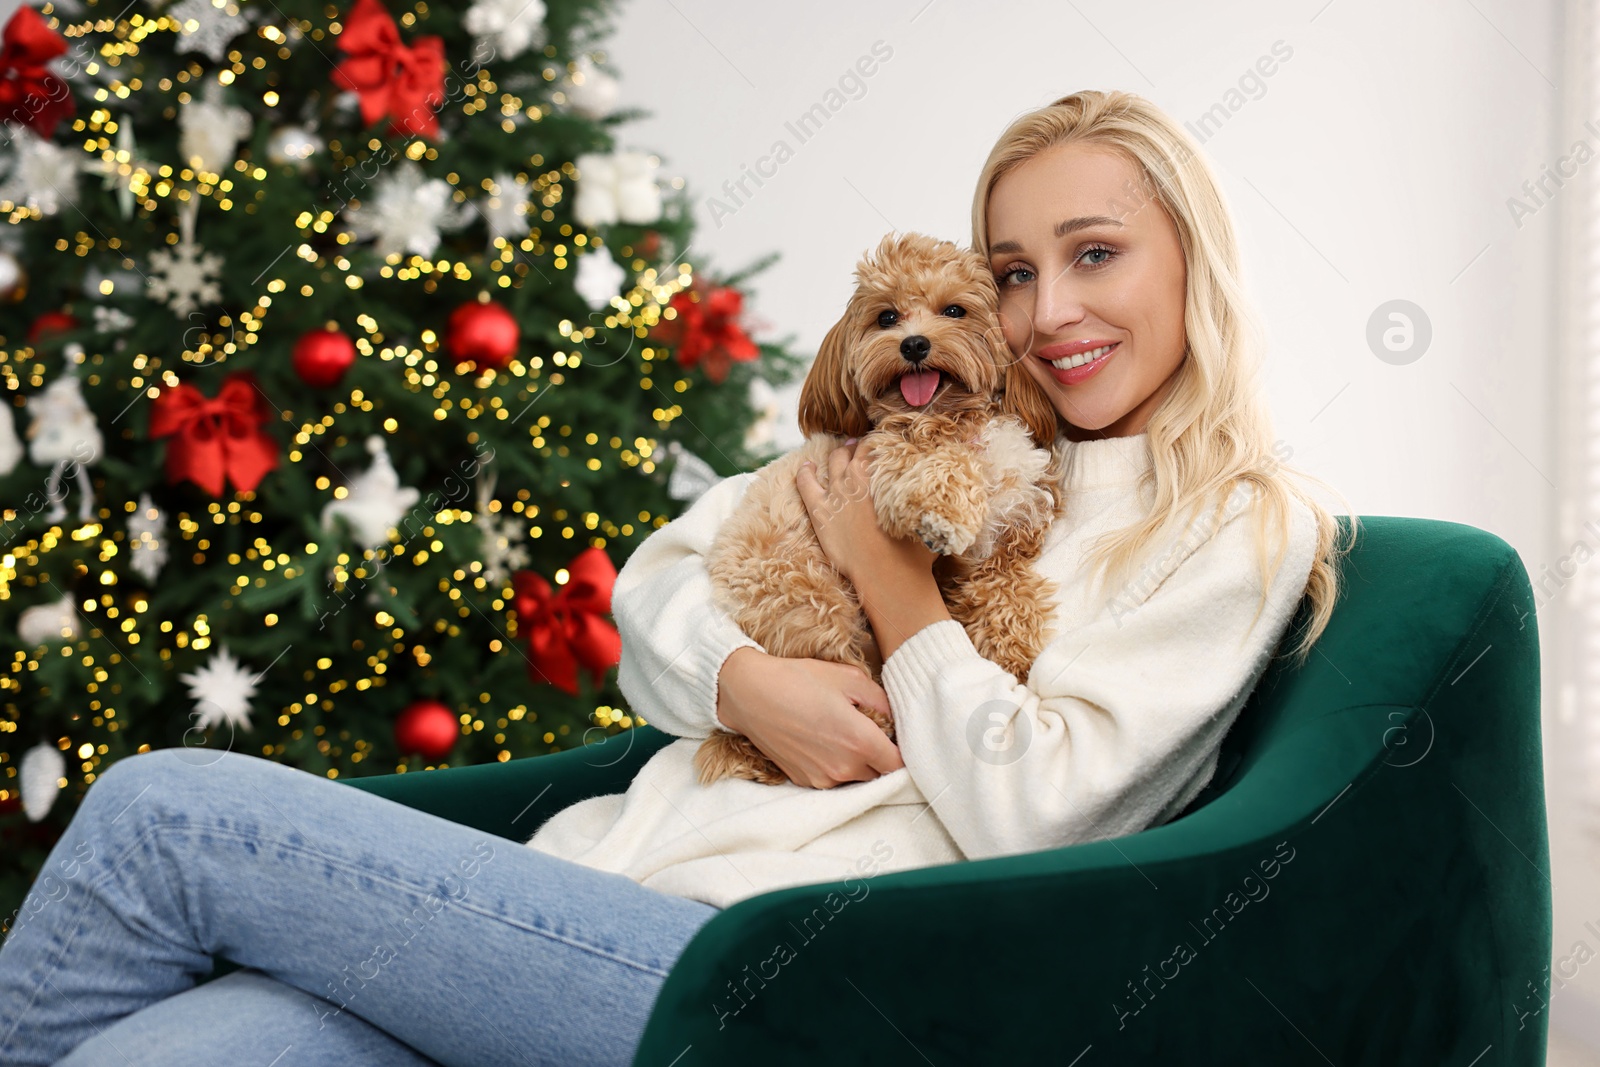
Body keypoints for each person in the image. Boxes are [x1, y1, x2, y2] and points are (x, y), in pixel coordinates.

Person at [0, 89, 1353, 1067]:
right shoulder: (920, 434)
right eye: (1011, 271)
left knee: (170, 814)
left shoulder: (1231, 522)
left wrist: (899, 593)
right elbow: (653, 594)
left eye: (1097, 253)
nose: (1049, 310)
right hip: (596, 896)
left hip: (762, 976)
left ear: (1193, 257)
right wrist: (745, 682)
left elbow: (1040, 819)